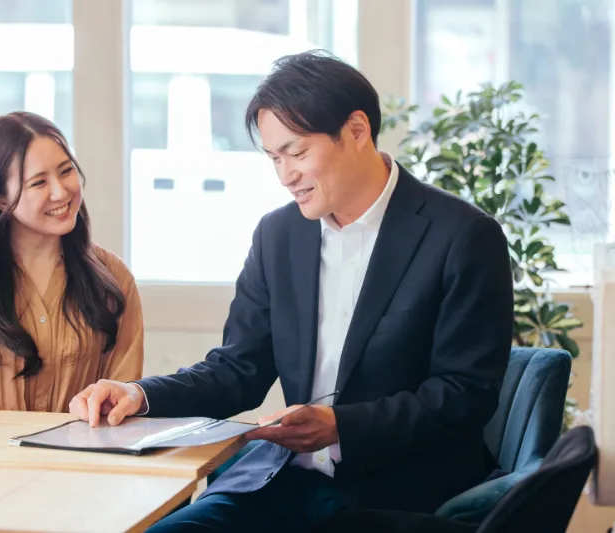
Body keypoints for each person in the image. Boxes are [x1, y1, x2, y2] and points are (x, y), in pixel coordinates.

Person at [73, 50, 513, 531]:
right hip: (281, 482)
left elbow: (464, 395)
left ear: (357, 130)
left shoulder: (462, 236)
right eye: (274, 158)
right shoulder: (279, 235)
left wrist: (341, 427)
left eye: (297, 153)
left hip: (399, 494)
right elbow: (238, 369)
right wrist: (139, 394)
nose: (286, 176)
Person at [0, 111, 144, 442]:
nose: (60, 192)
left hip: (87, 468)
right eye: (39, 182)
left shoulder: (114, 280)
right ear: (0, 198)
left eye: (66, 171)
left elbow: (119, 410)